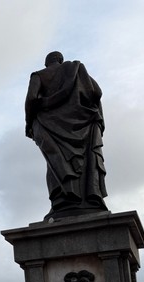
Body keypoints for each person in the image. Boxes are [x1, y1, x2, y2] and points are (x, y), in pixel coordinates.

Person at [25, 51, 108, 220]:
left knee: (58, 162)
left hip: (50, 124)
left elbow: (32, 100)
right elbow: (96, 92)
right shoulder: (78, 71)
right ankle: (90, 198)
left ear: (47, 63)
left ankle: (64, 201)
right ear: (61, 61)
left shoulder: (39, 75)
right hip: (84, 122)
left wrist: (29, 123)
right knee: (87, 162)